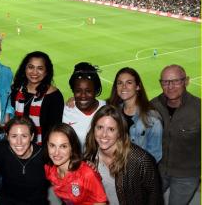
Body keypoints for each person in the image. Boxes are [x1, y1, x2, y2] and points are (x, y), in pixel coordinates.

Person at [84, 105, 163, 204]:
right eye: (100, 127)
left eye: (111, 129)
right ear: (93, 128)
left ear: (120, 132)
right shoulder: (89, 154)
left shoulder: (141, 160)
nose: (104, 134)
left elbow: (155, 198)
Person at [151, 64, 200, 205]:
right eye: (165, 82)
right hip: (157, 171)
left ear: (186, 81)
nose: (170, 86)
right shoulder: (153, 106)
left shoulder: (198, 109)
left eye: (176, 81)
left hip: (187, 176)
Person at [0, 116, 49, 205]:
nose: (19, 142)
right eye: (14, 136)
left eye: (24, 136)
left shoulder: (44, 154)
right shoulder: (2, 149)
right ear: (7, 136)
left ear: (32, 137)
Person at [107, 67, 162, 162]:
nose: (124, 87)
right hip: (112, 170)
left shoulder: (152, 119)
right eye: (120, 83)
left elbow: (154, 156)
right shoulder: (112, 112)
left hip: (138, 174)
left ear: (137, 86)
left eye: (129, 82)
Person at [45, 123, 107, 205]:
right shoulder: (49, 168)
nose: (56, 152)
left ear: (72, 148)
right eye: (52, 145)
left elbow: (101, 203)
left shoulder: (86, 174)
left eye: (63, 146)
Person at [11, 51, 64, 145]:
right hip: (16, 145)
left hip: (41, 149)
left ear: (46, 71)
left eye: (40, 68)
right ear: (25, 68)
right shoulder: (16, 90)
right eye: (31, 67)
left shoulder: (54, 96)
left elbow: (54, 129)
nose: (34, 72)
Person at [62, 62, 105, 150]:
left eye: (88, 91)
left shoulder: (107, 108)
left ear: (96, 90)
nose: (83, 96)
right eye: (78, 91)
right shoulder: (64, 112)